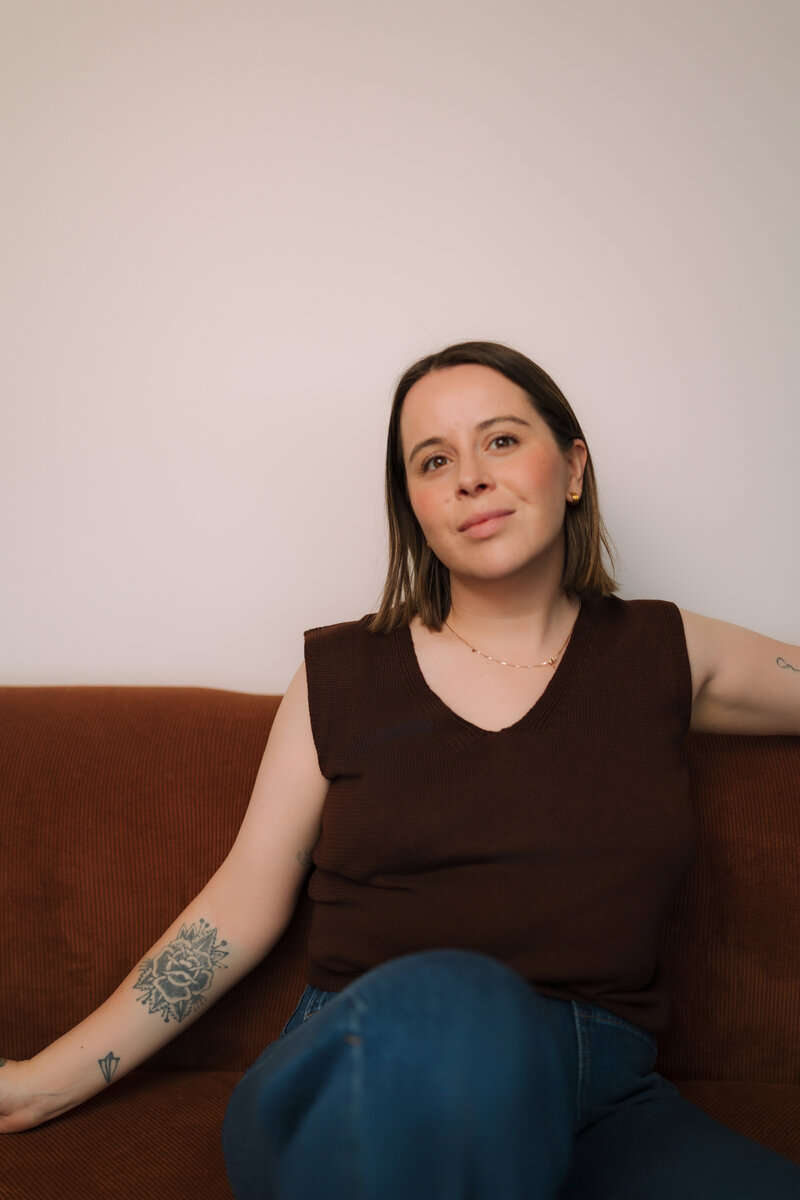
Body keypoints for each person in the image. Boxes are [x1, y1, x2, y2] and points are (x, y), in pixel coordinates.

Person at [1, 341, 798, 1199]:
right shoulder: (344, 674)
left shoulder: (665, 651)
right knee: (458, 999)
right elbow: (237, 907)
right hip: (363, 1071)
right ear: (413, 504)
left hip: (597, 1093)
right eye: (433, 460)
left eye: (500, 441)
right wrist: (50, 1076)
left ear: (571, 468)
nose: (469, 477)